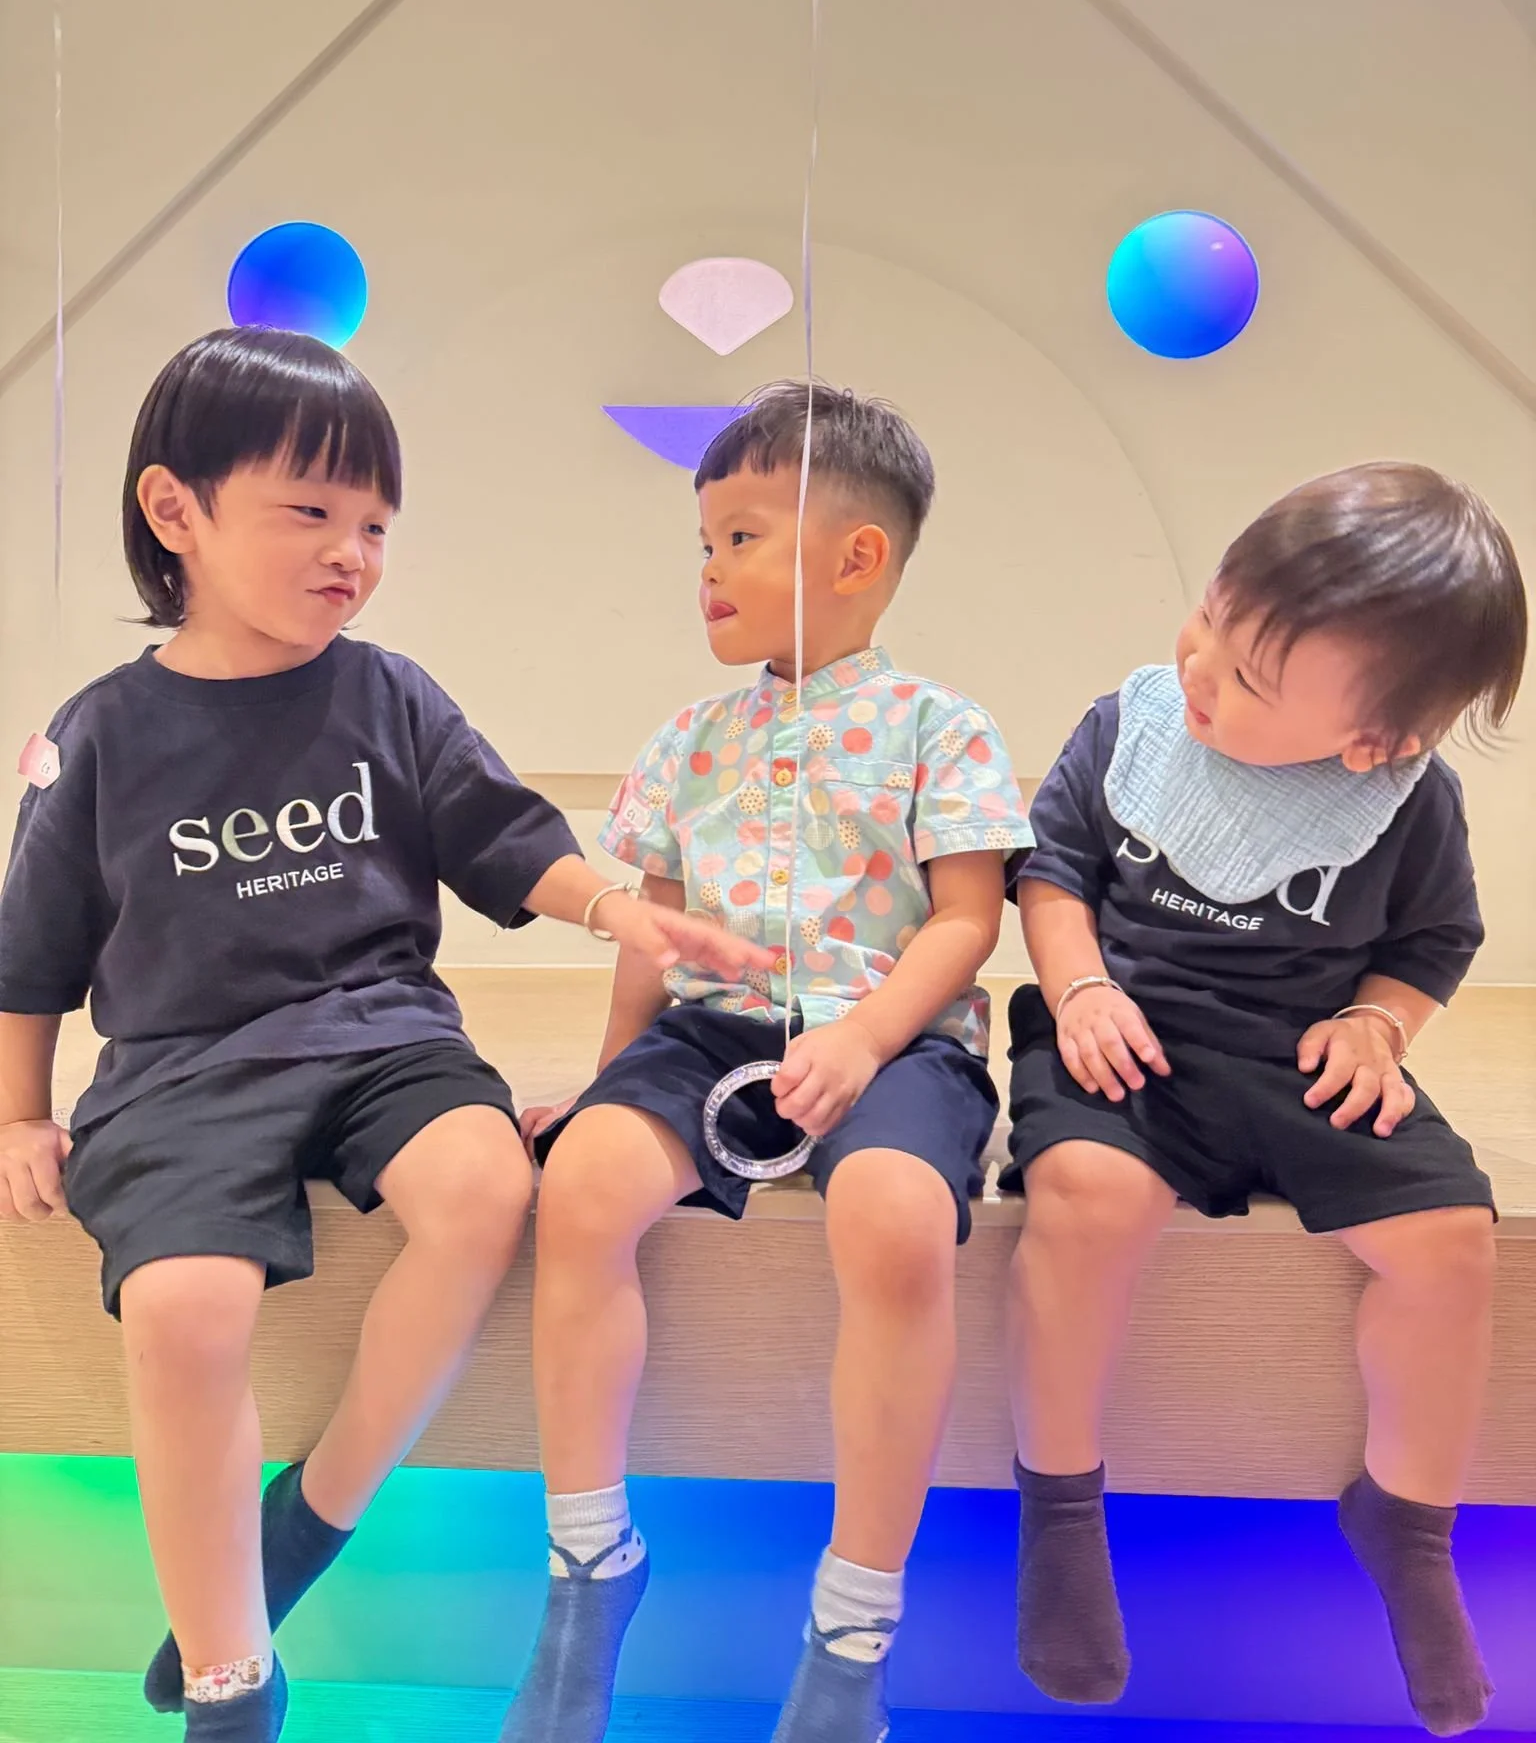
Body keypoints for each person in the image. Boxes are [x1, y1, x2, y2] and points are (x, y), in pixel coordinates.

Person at [0, 328, 770, 1743]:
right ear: (176, 513)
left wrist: (620, 911)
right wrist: (17, 1114)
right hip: (179, 1070)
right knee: (183, 1308)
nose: (351, 550)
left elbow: (500, 834)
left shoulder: (388, 692)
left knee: (488, 1188)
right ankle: (230, 1680)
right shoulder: (98, 732)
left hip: (383, 1036)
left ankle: (324, 1508)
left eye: (374, 524)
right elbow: (30, 952)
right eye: (311, 512)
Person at [504, 381, 1034, 1743]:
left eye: (740, 536)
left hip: (894, 1027)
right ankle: (586, 1568)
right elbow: (652, 933)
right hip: (709, 1033)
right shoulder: (687, 742)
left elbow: (969, 922)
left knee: (899, 1220)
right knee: (578, 1188)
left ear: (857, 558)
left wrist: (864, 1040)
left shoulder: (942, 727)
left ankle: (853, 1628)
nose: (708, 572)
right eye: (702, 543)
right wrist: (612, 1074)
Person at [1002, 462, 1526, 1738]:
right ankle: (1060, 1508)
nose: (1199, 672)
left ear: (1376, 741)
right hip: (1131, 1043)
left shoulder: (1409, 805)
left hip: (1301, 1060)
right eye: (1208, 624)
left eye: (1245, 679)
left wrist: (1377, 1023)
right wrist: (1076, 990)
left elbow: (1435, 942)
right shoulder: (1130, 728)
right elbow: (1051, 871)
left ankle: (1406, 1519)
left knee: (1453, 1240)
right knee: (1082, 1196)